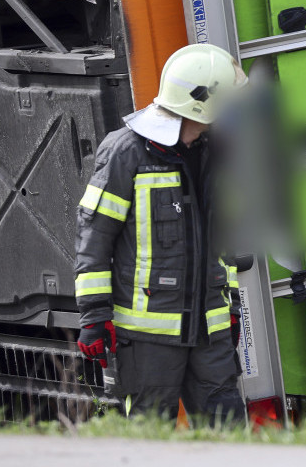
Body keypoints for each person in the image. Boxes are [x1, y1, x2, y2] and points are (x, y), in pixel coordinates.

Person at [74, 43, 248, 423]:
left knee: (232, 440)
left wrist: (231, 307)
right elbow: (94, 239)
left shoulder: (216, 154)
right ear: (202, 103)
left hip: (210, 334)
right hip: (149, 342)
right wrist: (94, 316)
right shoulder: (126, 153)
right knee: (152, 444)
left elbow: (226, 244)